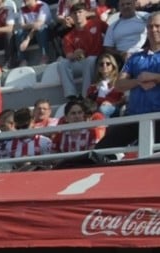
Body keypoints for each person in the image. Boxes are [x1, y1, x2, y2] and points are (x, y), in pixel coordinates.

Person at [96, 12, 160, 149]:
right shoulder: (135, 57)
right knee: (101, 150)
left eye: (157, 26)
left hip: (158, 116)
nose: (153, 30)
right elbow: (119, 84)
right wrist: (138, 81)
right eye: (150, 26)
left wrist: (154, 77)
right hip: (135, 117)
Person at [58, 3, 106, 99]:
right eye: (74, 13)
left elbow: (111, 32)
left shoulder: (97, 23)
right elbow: (68, 55)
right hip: (82, 62)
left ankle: (85, 96)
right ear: (71, 16)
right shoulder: (68, 36)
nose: (77, 15)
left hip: (98, 60)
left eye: (80, 12)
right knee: (62, 63)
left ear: (86, 13)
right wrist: (75, 54)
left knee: (90, 60)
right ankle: (71, 95)